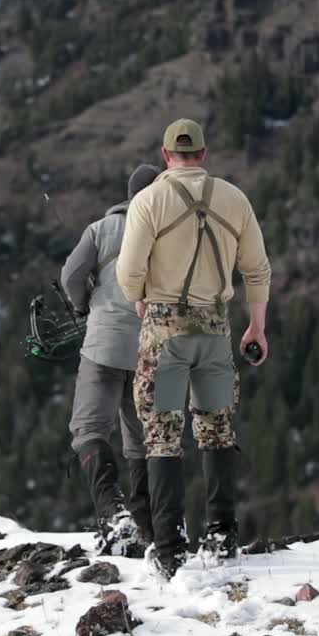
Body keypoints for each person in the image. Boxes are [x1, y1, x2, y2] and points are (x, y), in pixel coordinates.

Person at [117, 118, 271, 579]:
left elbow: (128, 273)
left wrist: (142, 298)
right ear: (203, 155)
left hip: (165, 333)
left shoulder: (149, 201)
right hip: (214, 332)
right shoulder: (233, 198)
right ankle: (222, 533)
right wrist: (256, 328)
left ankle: (169, 545)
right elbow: (258, 270)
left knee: (163, 433)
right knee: (217, 429)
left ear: (166, 156)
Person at [59, 164, 162, 556]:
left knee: (89, 428)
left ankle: (113, 514)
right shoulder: (170, 235)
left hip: (102, 345)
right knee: (143, 441)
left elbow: (71, 275)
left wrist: (85, 305)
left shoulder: (101, 230)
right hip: (150, 350)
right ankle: (148, 525)